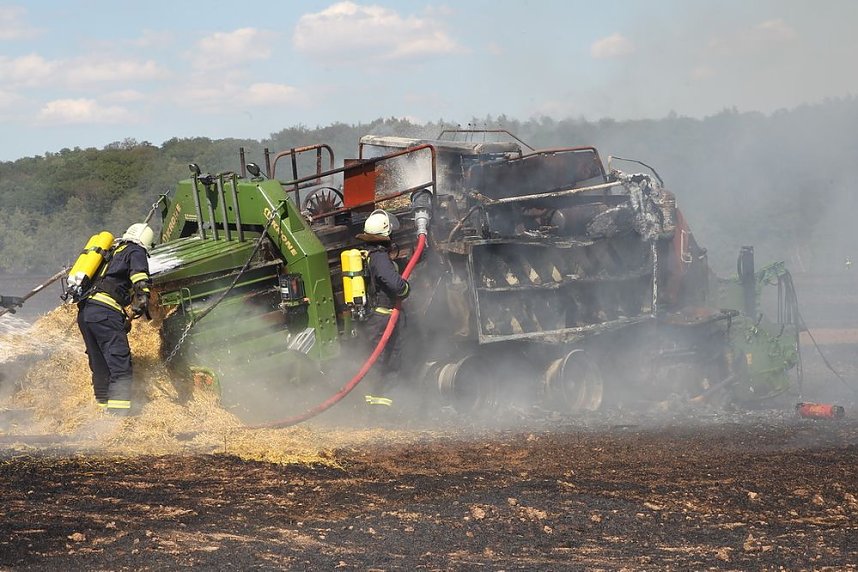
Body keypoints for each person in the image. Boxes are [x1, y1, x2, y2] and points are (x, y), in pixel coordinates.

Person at [77, 223, 154, 413]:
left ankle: (102, 411)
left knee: (100, 364)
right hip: (104, 313)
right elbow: (140, 278)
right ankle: (119, 418)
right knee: (120, 365)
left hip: (86, 312)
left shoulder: (110, 252)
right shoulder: (135, 251)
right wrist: (142, 298)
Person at [356, 209, 410, 404]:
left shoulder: (368, 254)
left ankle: (375, 403)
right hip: (385, 318)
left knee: (378, 360)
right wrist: (405, 289)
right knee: (390, 359)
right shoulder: (379, 257)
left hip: (376, 318)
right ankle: (386, 405)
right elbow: (395, 285)